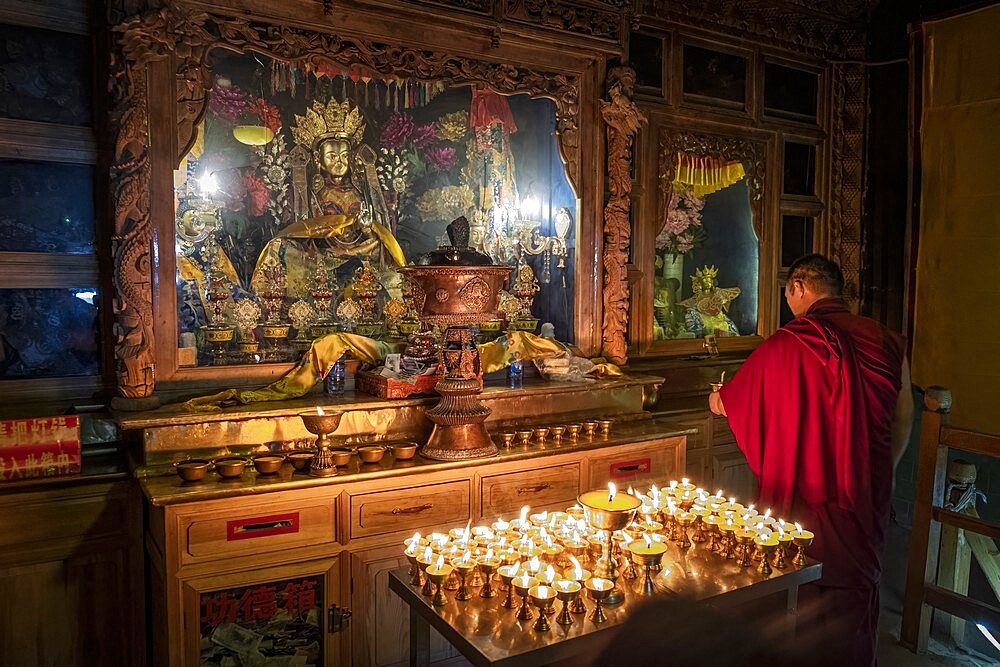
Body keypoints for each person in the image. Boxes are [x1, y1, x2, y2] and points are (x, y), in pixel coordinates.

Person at [708, 253, 913, 666]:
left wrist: (715, 398)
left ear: (799, 288)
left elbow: (733, 402)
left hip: (808, 497)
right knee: (854, 594)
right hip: (863, 497)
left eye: (789, 296)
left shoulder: (789, 341)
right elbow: (905, 415)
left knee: (799, 585)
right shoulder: (887, 340)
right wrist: (879, 472)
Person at [252, 99, 405, 298]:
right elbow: (303, 232)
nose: (339, 162)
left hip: (361, 250)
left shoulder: (361, 191)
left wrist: (366, 227)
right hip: (323, 254)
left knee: (383, 249)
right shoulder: (313, 193)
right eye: (332, 156)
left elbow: (377, 232)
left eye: (344, 156)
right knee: (281, 246)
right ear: (318, 160)